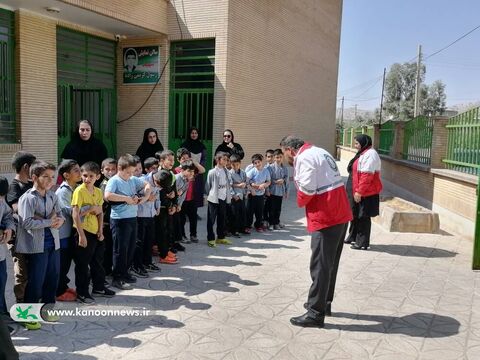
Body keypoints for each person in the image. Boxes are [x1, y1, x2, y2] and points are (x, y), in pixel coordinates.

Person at [280, 135, 352, 328]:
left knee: (320, 265)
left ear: (289, 150)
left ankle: (315, 313)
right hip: (339, 213)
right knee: (330, 264)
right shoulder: (320, 151)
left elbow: (306, 191)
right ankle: (323, 302)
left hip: (326, 215)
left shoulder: (303, 158)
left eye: (283, 153)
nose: (286, 158)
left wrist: (299, 200)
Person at [16, 160, 65, 326]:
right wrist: (49, 222)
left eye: (52, 176)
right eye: (45, 176)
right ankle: (28, 316)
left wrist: (60, 221)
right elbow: (27, 223)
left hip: (53, 243)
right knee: (36, 281)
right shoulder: (27, 198)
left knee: (52, 279)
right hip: (37, 246)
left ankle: (47, 310)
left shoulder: (53, 195)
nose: (50, 180)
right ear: (34, 177)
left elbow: (60, 215)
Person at [104, 154, 152, 290]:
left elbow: (147, 184)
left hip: (132, 218)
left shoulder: (132, 179)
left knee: (130, 247)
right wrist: (126, 198)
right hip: (119, 220)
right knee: (120, 249)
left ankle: (125, 272)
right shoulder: (114, 181)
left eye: (132, 172)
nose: (131, 175)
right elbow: (107, 196)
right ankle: (117, 277)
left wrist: (146, 195)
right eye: (128, 172)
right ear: (120, 168)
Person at [72, 162, 115, 304]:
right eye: (84, 175)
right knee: (83, 264)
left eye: (91, 176)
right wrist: (81, 235)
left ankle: (99, 287)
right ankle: (82, 293)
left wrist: (100, 231)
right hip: (83, 231)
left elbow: (100, 212)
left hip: (95, 231)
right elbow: (75, 214)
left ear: (97, 176)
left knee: (98, 261)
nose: (87, 179)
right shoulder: (79, 191)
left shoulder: (98, 191)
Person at [6, 152, 36, 309]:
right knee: (22, 274)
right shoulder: (14, 187)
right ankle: (21, 307)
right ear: (26, 167)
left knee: (33, 272)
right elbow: (18, 209)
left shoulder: (32, 185)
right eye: (34, 166)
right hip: (18, 239)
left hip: (33, 237)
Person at [344, 134, 382, 250]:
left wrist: (359, 192)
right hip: (356, 189)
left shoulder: (370, 154)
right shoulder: (362, 153)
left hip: (366, 192)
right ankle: (353, 236)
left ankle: (362, 243)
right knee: (354, 214)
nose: (355, 146)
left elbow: (367, 176)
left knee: (363, 217)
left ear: (364, 143)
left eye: (357, 143)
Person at [55, 159, 81, 302]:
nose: (80, 173)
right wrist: (84, 210)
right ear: (66, 175)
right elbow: (67, 209)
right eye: (76, 170)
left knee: (67, 262)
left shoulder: (76, 188)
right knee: (62, 263)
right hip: (62, 234)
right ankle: (59, 291)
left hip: (71, 232)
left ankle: (64, 286)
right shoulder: (62, 192)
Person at [205, 152, 232, 248]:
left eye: (227, 159)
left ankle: (221, 237)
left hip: (223, 197)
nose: (226, 161)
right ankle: (211, 238)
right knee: (211, 219)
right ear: (218, 160)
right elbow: (208, 186)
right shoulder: (212, 172)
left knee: (222, 218)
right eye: (224, 159)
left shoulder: (227, 171)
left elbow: (228, 184)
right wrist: (211, 195)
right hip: (214, 199)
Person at [180, 127, 207, 212]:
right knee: (186, 192)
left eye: (196, 133)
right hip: (187, 172)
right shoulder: (184, 145)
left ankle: (194, 212)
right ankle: (184, 211)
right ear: (189, 134)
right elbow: (182, 158)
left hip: (198, 173)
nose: (194, 135)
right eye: (192, 133)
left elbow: (204, 159)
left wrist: (198, 168)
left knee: (196, 193)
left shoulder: (202, 146)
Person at [0, 177, 15, 331]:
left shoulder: (1, 202)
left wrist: (9, 229)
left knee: (1, 283)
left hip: (0, 255)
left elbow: (7, 215)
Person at [99, 158, 118, 276]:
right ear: (102, 171)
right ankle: (104, 272)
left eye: (113, 169)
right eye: (107, 169)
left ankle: (108, 269)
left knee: (111, 247)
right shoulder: (104, 185)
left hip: (111, 220)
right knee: (106, 249)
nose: (110, 172)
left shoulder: (114, 182)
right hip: (105, 221)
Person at [246, 154, 271, 233]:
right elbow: (246, 180)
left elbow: (269, 181)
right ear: (253, 164)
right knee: (250, 211)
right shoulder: (252, 171)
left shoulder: (266, 171)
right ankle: (248, 226)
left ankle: (258, 225)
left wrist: (265, 185)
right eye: (255, 163)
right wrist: (252, 186)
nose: (257, 164)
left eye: (258, 162)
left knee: (259, 212)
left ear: (261, 161)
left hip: (261, 195)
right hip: (252, 195)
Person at [267, 149, 289, 230]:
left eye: (280, 157)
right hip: (272, 191)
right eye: (277, 157)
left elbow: (286, 180)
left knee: (278, 208)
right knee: (272, 208)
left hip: (280, 191)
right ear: (274, 158)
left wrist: (286, 191)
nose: (279, 159)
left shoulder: (285, 168)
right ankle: (271, 223)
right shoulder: (270, 168)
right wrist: (275, 182)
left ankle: (276, 222)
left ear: (282, 157)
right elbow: (267, 179)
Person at [229, 154, 248, 236]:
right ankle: (234, 230)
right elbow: (229, 185)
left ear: (240, 163)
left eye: (237, 164)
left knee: (243, 213)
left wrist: (245, 192)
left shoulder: (243, 172)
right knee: (234, 214)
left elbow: (246, 182)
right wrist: (234, 195)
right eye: (233, 165)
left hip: (242, 195)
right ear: (230, 164)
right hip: (235, 196)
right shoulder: (229, 173)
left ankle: (242, 228)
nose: (235, 166)